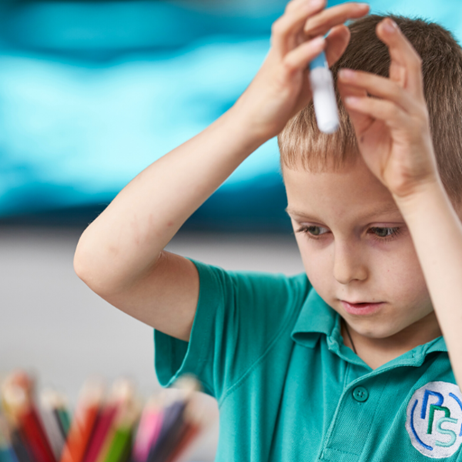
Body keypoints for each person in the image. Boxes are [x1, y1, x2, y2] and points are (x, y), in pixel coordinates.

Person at [74, 0, 462, 460]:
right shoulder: (267, 325)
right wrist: (248, 122)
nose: (345, 271)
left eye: (382, 231)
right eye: (314, 230)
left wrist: (419, 188)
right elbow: (104, 264)